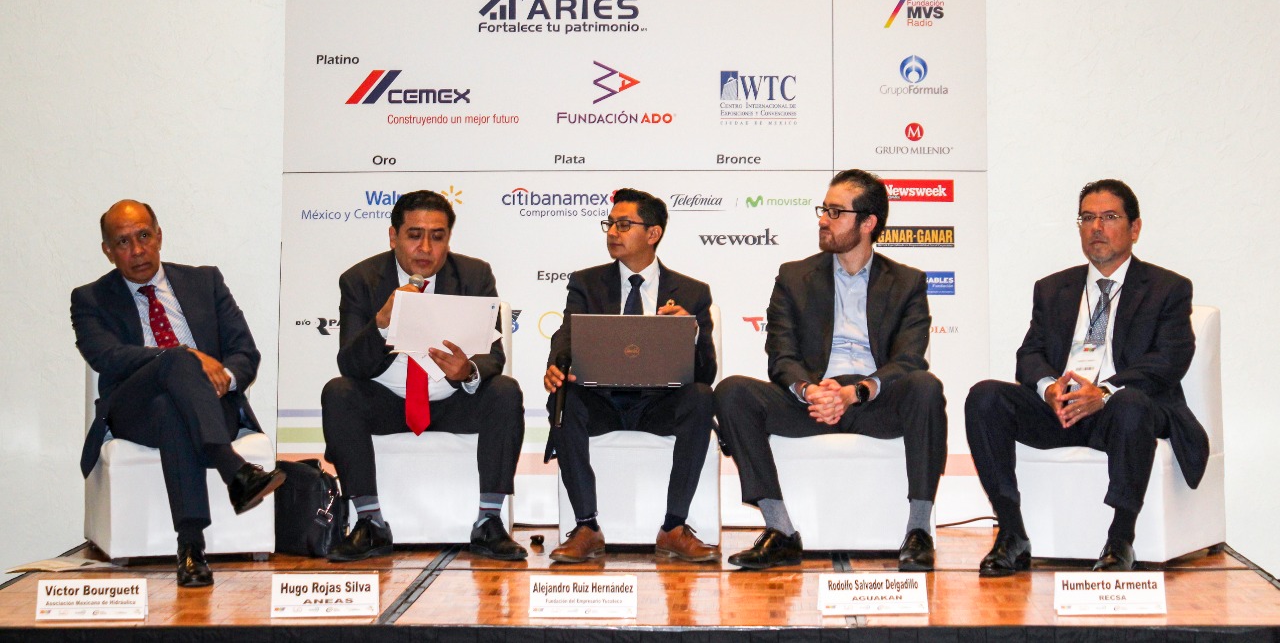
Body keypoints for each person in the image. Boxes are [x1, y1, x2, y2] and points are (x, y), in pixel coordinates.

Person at [966, 179, 1207, 575]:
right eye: (1087, 218)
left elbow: (1169, 360)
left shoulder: (1167, 288)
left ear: (1134, 228)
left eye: (1109, 217)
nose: (1096, 227)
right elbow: (1030, 354)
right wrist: (1049, 388)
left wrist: (1105, 392)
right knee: (985, 396)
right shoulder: (1052, 288)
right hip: (1061, 409)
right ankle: (1011, 533)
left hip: (1121, 411)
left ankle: (1120, 540)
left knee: (1131, 402)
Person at [716, 169, 946, 571]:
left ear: (868, 222)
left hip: (873, 401)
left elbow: (909, 358)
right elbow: (780, 354)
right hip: (813, 400)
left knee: (925, 386)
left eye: (836, 212)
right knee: (732, 391)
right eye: (823, 210)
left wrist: (856, 392)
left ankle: (918, 531)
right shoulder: (794, 276)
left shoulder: (907, 282)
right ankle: (780, 530)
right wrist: (810, 390)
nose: (824, 219)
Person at [72, 200, 285, 588]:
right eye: (123, 242)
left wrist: (223, 379)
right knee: (176, 360)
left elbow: (244, 352)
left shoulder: (205, 281)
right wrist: (184, 356)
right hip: (133, 410)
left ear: (159, 236)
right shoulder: (90, 299)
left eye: (144, 236)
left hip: (209, 405)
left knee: (170, 410)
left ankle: (191, 548)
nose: (137, 250)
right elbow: (106, 357)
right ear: (107, 250)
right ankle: (233, 469)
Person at [321, 190, 526, 562]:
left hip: (453, 400)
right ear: (393, 236)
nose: (426, 248)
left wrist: (467, 371)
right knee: (338, 392)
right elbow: (351, 365)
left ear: (448, 239)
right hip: (388, 402)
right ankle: (369, 522)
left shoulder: (474, 275)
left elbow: (493, 356)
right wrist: (382, 324)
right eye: (415, 235)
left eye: (438, 236)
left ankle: (489, 521)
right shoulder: (360, 280)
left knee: (505, 391)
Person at [543, 188, 719, 563]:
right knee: (563, 396)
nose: (612, 232)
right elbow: (566, 335)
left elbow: (706, 373)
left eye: (624, 225)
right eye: (610, 224)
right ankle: (586, 527)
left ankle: (674, 527)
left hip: (660, 406)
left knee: (702, 397)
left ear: (653, 233)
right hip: (601, 403)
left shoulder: (692, 292)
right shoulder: (586, 283)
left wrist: (691, 332)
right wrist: (557, 365)